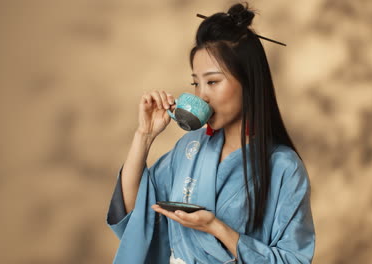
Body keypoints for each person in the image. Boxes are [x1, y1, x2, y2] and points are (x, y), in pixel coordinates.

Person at [106, 3, 315, 264]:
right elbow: (137, 215)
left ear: (248, 82)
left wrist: (217, 228)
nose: (202, 95)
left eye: (213, 82)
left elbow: (293, 260)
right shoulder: (190, 147)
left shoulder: (284, 167)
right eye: (196, 83)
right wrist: (144, 135)